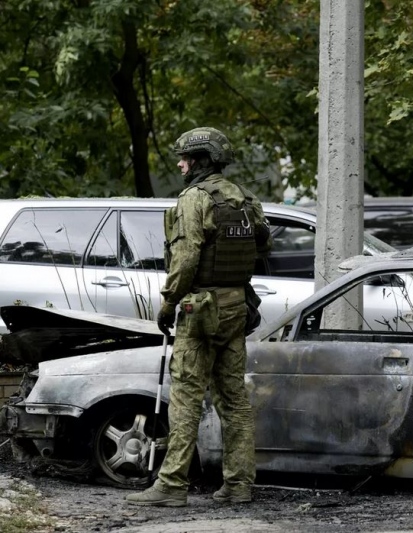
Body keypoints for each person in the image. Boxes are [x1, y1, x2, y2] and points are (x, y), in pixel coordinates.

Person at [126, 127, 272, 507]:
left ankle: (172, 485)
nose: (180, 164)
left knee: (186, 398)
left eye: (185, 159)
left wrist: (168, 302)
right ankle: (239, 485)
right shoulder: (243, 198)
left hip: (200, 310)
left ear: (202, 160)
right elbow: (262, 245)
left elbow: (187, 256)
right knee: (234, 399)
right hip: (237, 306)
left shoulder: (194, 198)